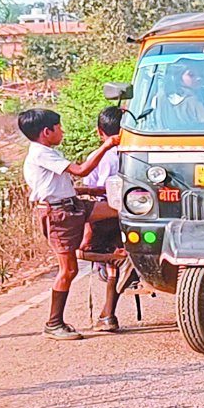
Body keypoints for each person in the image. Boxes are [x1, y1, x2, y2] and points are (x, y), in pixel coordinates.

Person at [19, 109, 119, 340]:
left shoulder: (47, 152)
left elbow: (59, 184)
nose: (62, 131)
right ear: (47, 132)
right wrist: (107, 145)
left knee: (118, 209)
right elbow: (81, 170)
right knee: (68, 270)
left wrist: (91, 190)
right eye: (59, 127)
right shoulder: (42, 154)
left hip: (73, 205)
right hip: (59, 215)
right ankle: (54, 323)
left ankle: (107, 251)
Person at [79, 106, 124, 333]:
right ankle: (108, 313)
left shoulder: (101, 156)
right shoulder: (137, 152)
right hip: (136, 212)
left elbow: (97, 189)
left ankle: (108, 314)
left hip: (109, 213)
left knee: (82, 250)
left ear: (99, 132)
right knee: (114, 258)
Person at [159, 61, 204, 129]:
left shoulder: (160, 97)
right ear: (177, 77)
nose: (198, 78)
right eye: (191, 75)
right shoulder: (193, 101)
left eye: (201, 75)